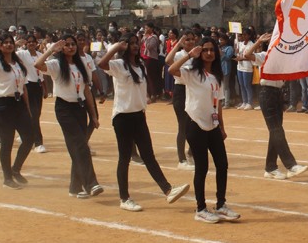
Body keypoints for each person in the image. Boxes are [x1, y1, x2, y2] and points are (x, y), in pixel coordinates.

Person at [98, 34, 190, 211]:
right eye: (130, 44)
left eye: (136, 43)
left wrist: (145, 99)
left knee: (148, 155)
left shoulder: (140, 66)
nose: (134, 46)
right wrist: (116, 47)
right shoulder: (118, 65)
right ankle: (124, 198)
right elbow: (101, 64)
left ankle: (167, 189)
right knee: (124, 158)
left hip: (139, 116)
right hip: (122, 117)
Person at [169, 36, 239, 223]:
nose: (209, 53)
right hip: (195, 124)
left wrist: (222, 128)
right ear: (200, 53)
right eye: (205, 50)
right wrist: (189, 55)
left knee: (222, 164)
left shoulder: (217, 77)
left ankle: (221, 204)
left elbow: (218, 105)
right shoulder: (192, 73)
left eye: (212, 50)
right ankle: (200, 208)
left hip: (213, 125)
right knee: (202, 167)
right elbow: (171, 69)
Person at [35, 34, 104, 199]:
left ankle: (74, 187)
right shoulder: (56, 64)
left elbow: (86, 90)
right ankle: (91, 183)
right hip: (64, 109)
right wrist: (51, 50)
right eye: (67, 45)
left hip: (80, 108)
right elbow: (38, 64)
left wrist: (93, 114)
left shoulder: (82, 65)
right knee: (81, 145)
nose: (71, 47)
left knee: (77, 148)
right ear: (62, 48)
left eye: (73, 44)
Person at [243, 33, 308, 181]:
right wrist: (258, 41)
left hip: (278, 94)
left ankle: (270, 167)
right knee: (276, 130)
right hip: (267, 93)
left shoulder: (284, 59)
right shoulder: (265, 56)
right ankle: (291, 165)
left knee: (275, 131)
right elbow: (247, 55)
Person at [0, 32, 34, 189]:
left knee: (29, 138)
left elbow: (23, 86)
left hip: (18, 103)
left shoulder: (18, 64)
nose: (9, 45)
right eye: (5, 43)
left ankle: (15, 169)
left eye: (11, 42)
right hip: (2, 105)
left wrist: (27, 109)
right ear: (1, 46)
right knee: (7, 142)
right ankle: (7, 178)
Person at [165, 30, 196, 170]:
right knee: (182, 125)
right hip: (181, 90)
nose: (189, 42)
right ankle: (181, 159)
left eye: (191, 39)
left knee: (195, 124)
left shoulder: (197, 55)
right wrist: (178, 44)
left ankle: (191, 153)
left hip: (194, 91)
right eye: (187, 39)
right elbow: (167, 61)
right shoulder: (179, 54)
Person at [17, 34, 47, 153]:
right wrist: (16, 44)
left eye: (33, 42)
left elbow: (42, 73)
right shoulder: (22, 54)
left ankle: (25, 133)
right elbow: (10, 53)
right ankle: (38, 142)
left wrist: (45, 88)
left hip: (38, 86)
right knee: (33, 114)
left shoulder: (40, 55)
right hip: (27, 85)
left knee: (36, 113)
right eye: (28, 42)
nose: (31, 44)